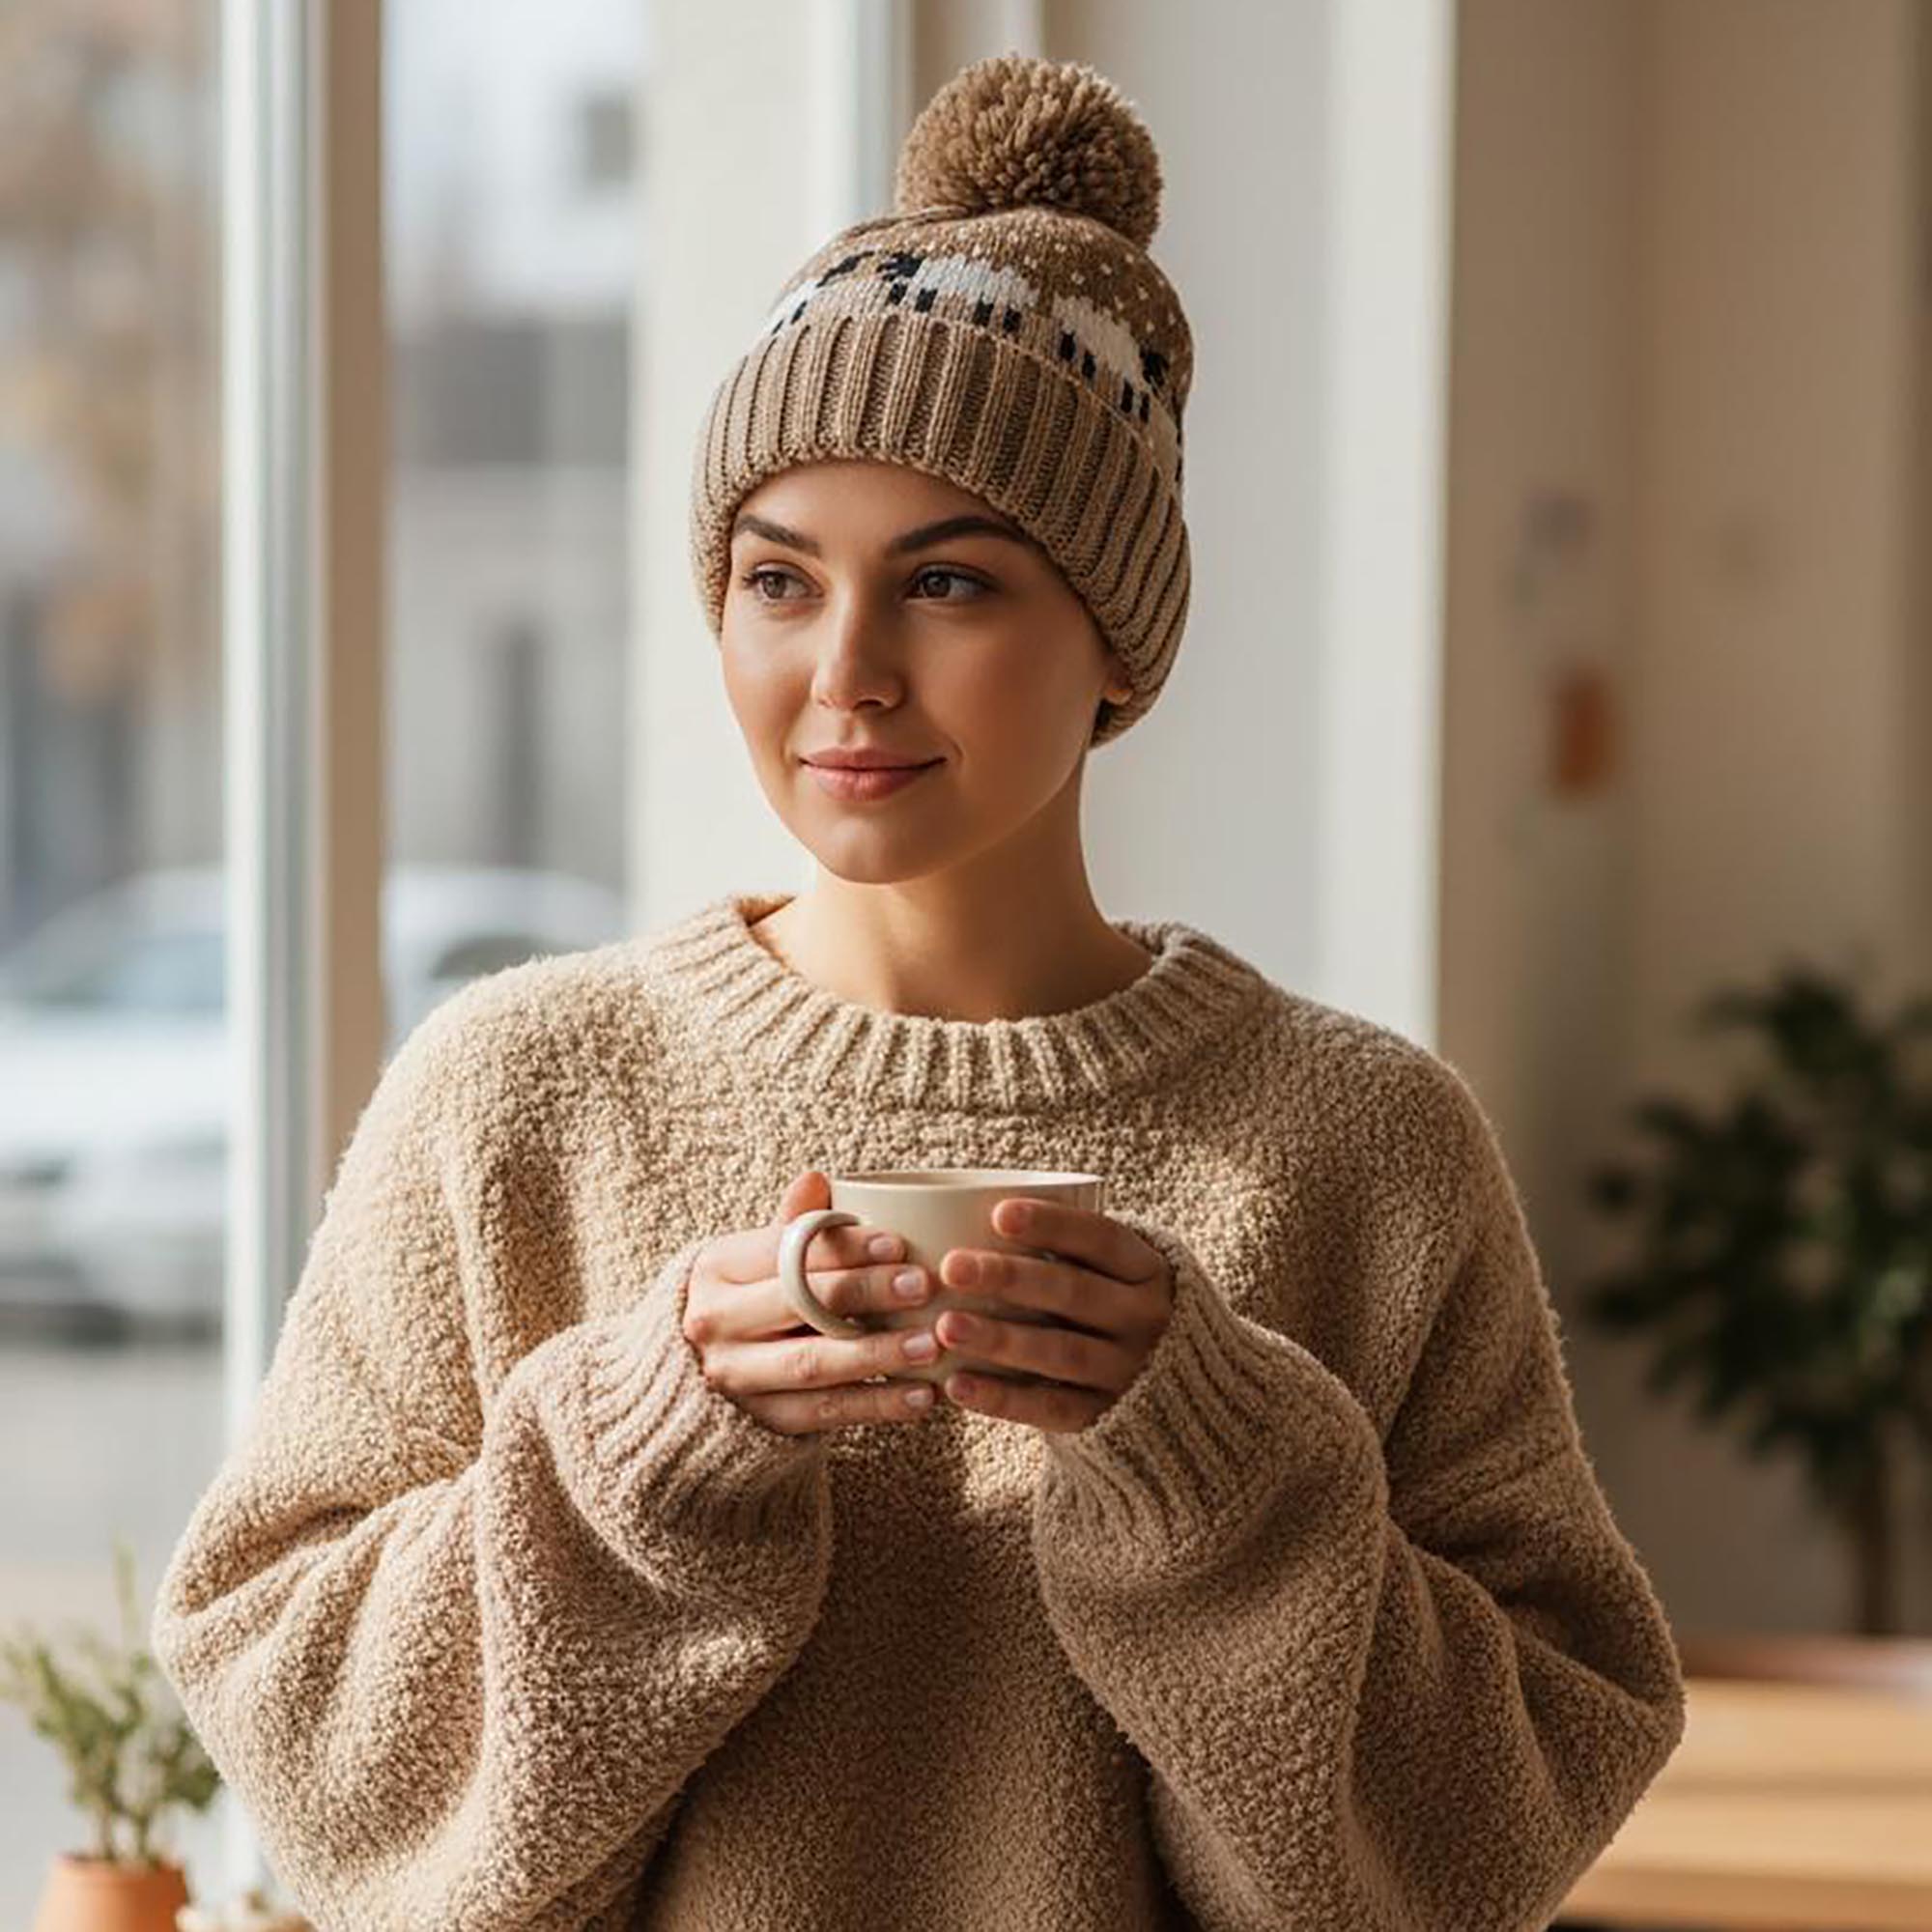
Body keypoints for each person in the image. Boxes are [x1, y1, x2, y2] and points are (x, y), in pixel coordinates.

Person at [151, 52, 1687, 1931]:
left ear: (1116, 640)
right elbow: (301, 1740)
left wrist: (1220, 1464)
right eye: (779, 582)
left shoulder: (1358, 1142)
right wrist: (642, 1446)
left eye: (949, 585)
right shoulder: (515, 1092)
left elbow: (1504, 1822)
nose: (843, 675)